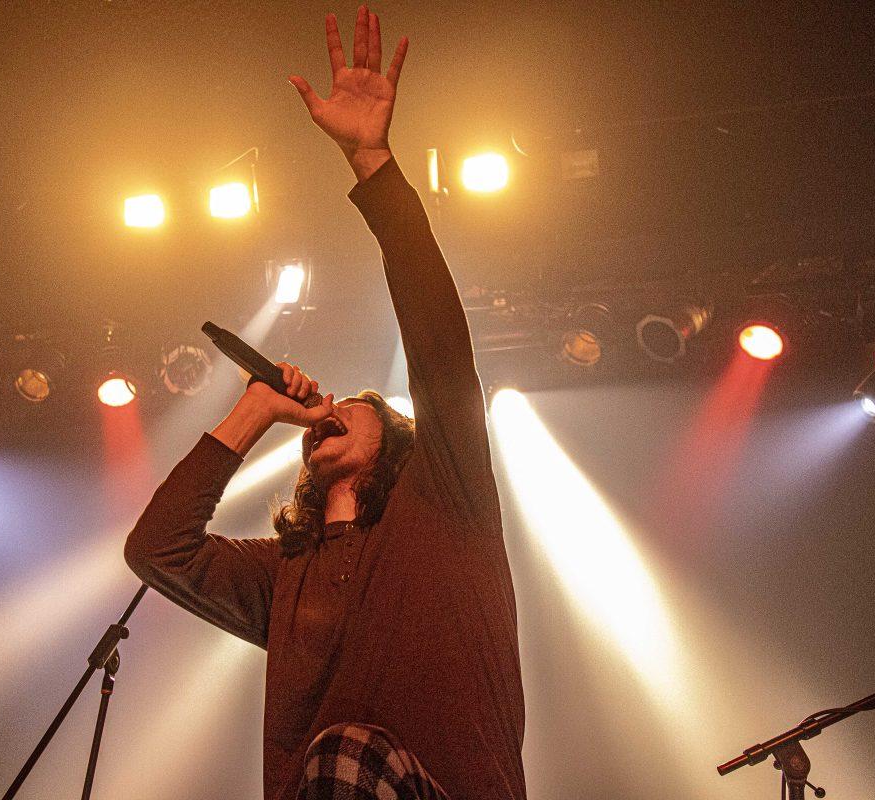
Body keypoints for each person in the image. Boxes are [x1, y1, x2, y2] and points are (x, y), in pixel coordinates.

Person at [124, 7, 526, 799]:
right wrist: (254, 412)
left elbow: (441, 347)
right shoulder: (283, 574)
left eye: (362, 402)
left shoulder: (446, 500)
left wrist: (373, 163)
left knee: (347, 750)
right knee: (335, 760)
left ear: (404, 439)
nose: (333, 407)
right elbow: (157, 552)